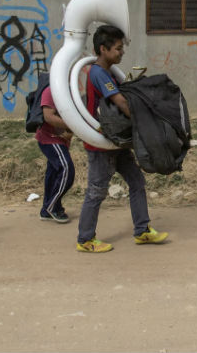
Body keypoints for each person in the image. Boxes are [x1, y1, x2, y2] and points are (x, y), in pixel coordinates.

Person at [76, 25, 168, 253]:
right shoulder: (98, 74)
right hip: (101, 146)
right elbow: (122, 103)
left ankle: (142, 231)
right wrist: (145, 123)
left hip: (114, 143)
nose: (121, 52)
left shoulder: (105, 73)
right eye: (117, 49)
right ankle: (85, 239)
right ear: (103, 49)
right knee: (96, 191)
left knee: (136, 181)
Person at [35, 84, 74, 223]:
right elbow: (48, 117)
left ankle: (46, 211)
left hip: (61, 140)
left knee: (53, 174)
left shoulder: (69, 90)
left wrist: (70, 132)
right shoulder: (51, 91)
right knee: (66, 170)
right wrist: (72, 126)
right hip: (49, 139)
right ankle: (52, 206)